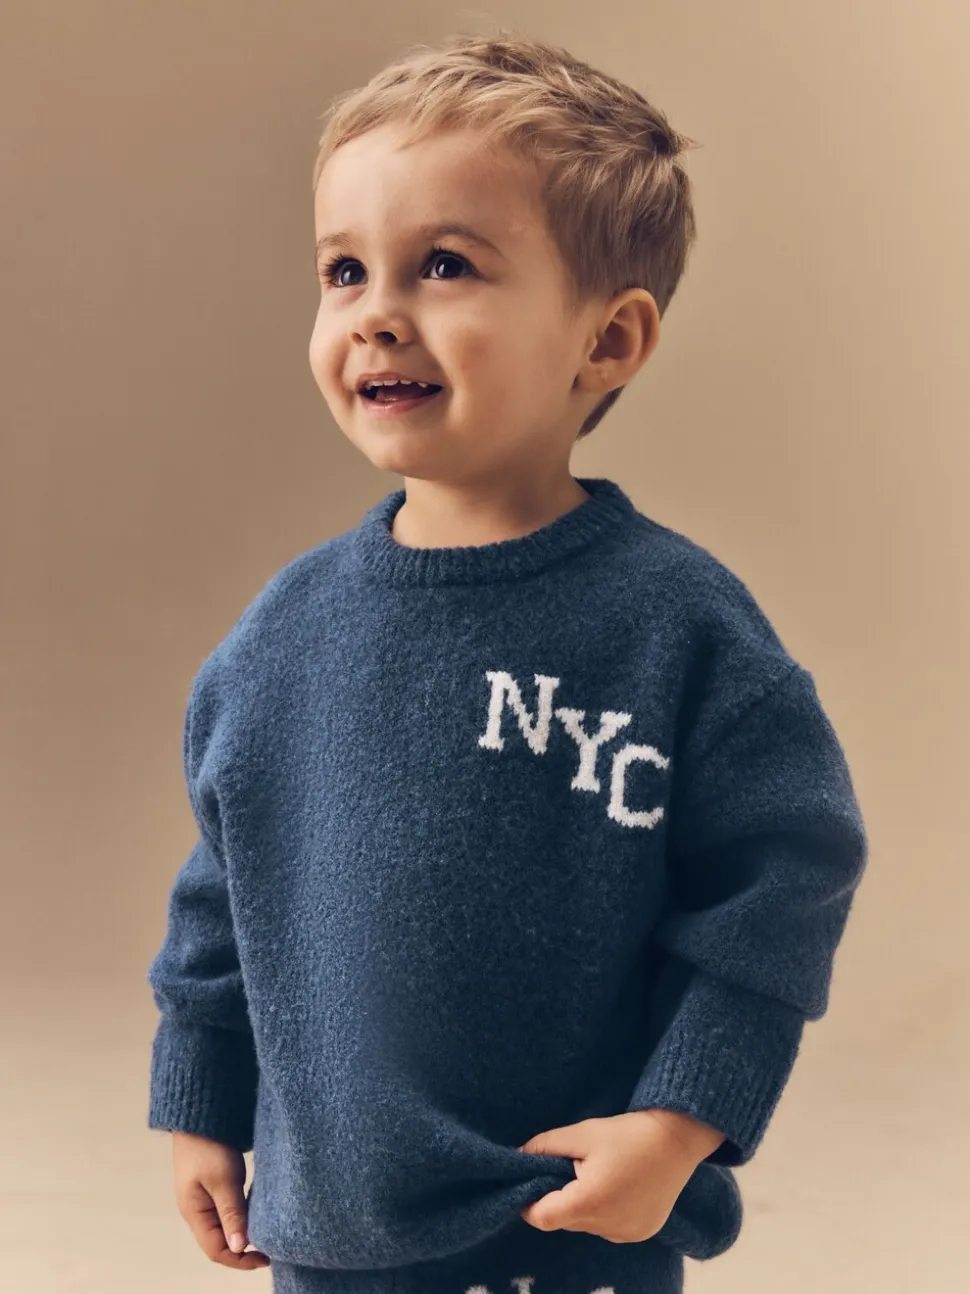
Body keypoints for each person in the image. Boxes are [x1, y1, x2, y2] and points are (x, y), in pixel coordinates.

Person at [146, 27, 869, 1294]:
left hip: (572, 1221)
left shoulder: (677, 628)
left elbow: (779, 893)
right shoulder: (281, 636)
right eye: (343, 270)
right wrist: (200, 1096)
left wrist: (677, 1128)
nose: (376, 313)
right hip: (334, 1221)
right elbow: (224, 889)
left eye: (443, 266)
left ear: (608, 341)